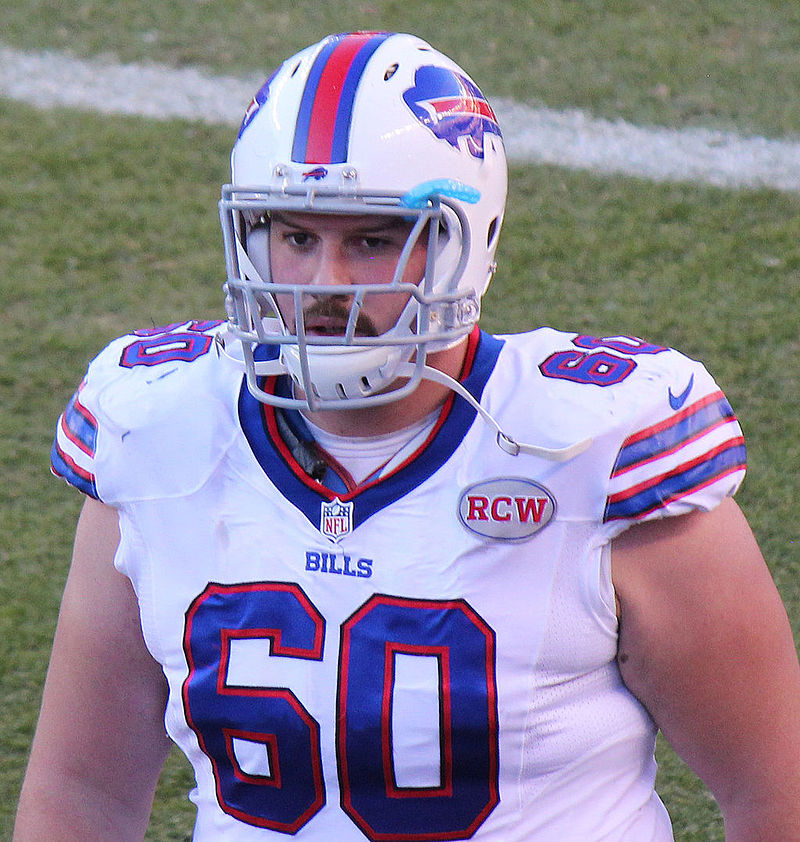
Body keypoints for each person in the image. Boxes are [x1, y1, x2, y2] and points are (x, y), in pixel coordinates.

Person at [13, 31, 800, 842]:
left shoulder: (598, 452)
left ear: (466, 241)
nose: (325, 285)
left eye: (371, 240)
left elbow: (775, 795)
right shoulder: (155, 434)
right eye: (296, 236)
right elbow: (81, 797)